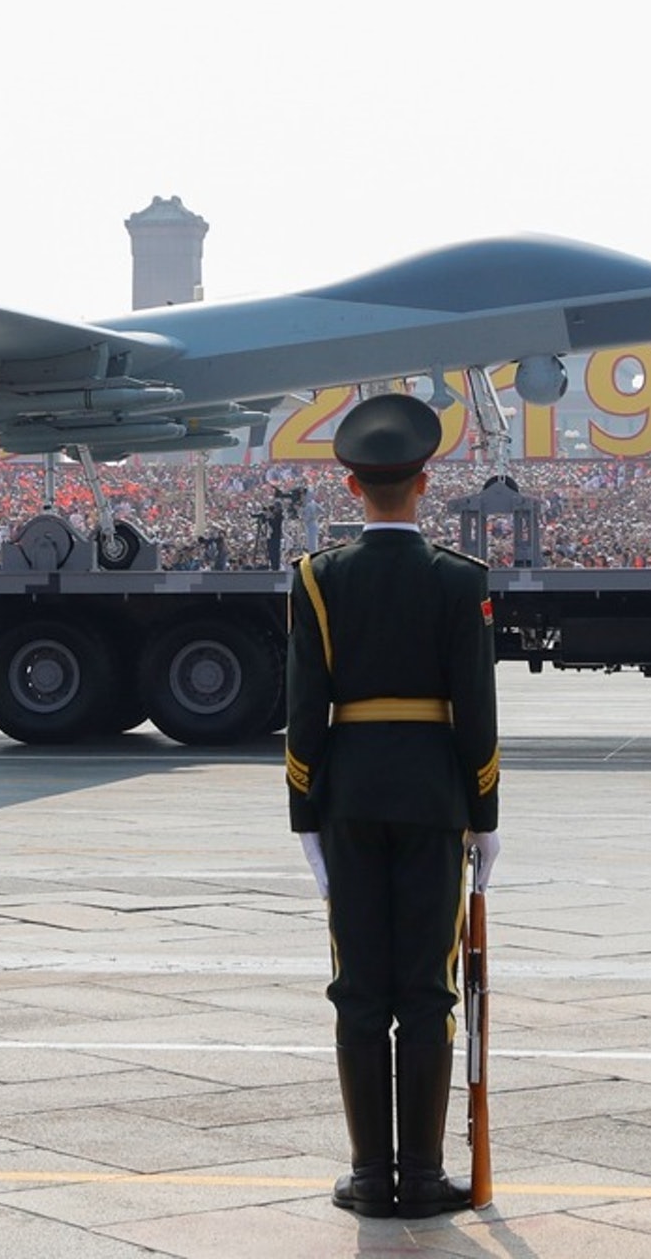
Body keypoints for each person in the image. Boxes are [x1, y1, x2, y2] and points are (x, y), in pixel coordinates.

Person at [285, 392, 502, 1220]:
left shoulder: (318, 579)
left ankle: (371, 1176)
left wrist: (306, 819)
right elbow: (475, 713)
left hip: (348, 800)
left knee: (358, 989)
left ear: (353, 489)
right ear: (424, 483)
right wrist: (484, 813)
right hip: (434, 800)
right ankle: (424, 1172)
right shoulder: (460, 580)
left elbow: (304, 710)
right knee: (427, 989)